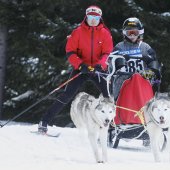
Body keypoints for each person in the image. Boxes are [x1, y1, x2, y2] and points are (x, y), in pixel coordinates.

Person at [38, 5, 113, 133]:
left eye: (96, 17)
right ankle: (44, 122)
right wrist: (80, 65)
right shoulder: (77, 32)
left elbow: (107, 53)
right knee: (67, 95)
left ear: (100, 18)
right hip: (81, 69)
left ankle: (113, 128)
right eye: (90, 16)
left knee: (109, 97)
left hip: (98, 70)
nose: (93, 19)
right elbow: (70, 52)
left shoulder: (105, 33)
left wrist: (100, 65)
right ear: (86, 17)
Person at [111, 17, 161, 100]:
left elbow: (154, 62)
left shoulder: (145, 47)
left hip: (142, 78)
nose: (132, 35)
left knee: (151, 89)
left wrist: (150, 71)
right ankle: (117, 103)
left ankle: (150, 104)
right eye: (129, 32)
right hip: (123, 79)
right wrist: (118, 63)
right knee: (119, 90)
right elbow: (111, 64)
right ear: (124, 33)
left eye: (135, 32)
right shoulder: (119, 47)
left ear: (140, 33)